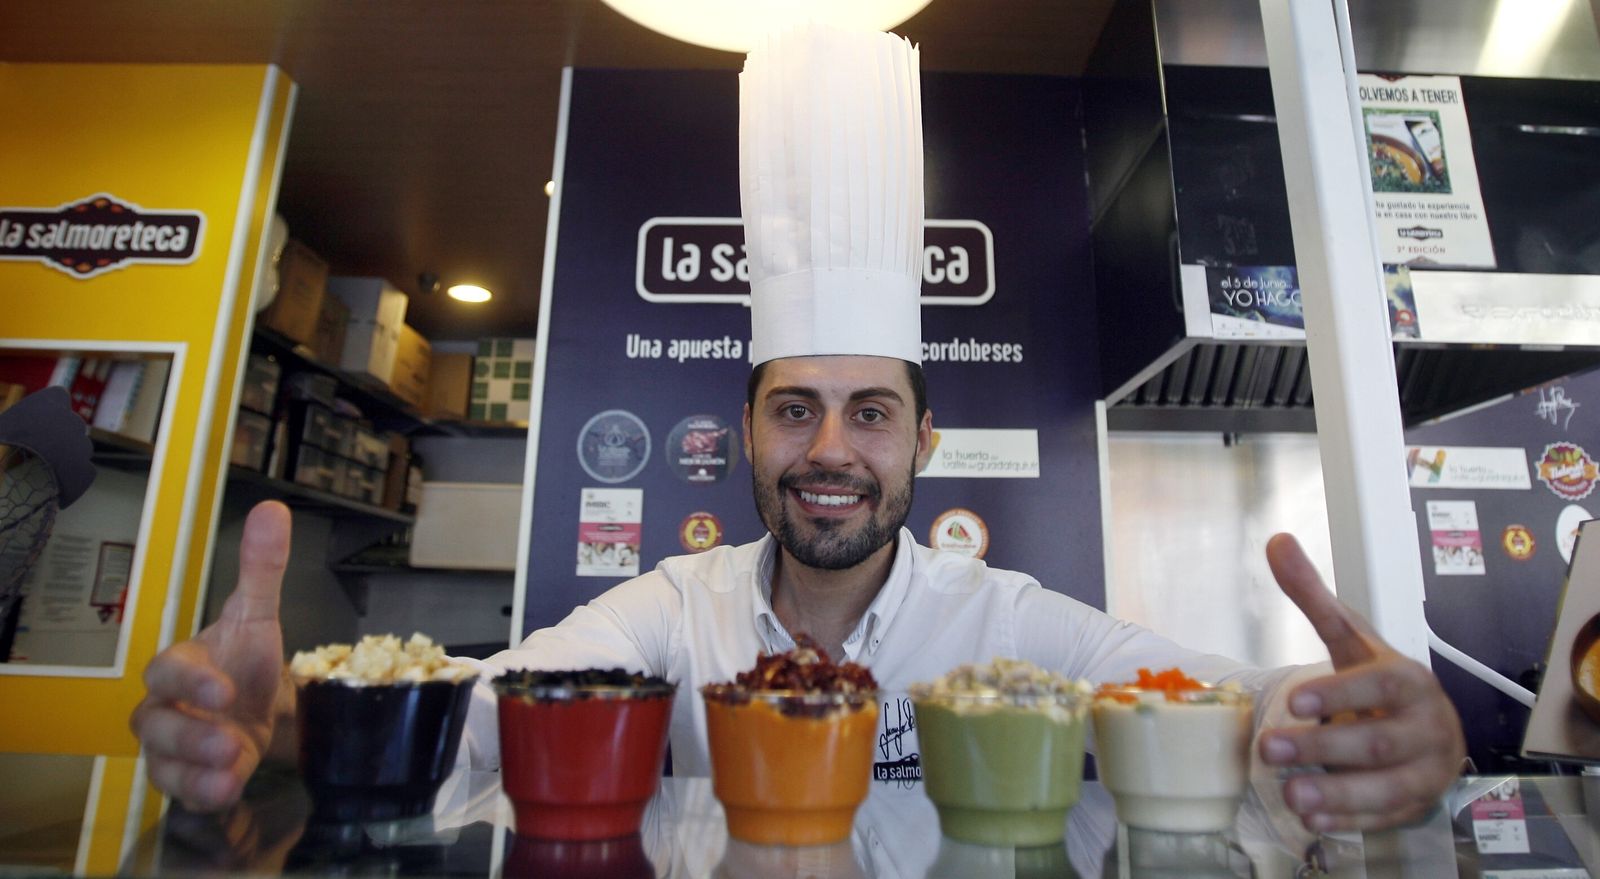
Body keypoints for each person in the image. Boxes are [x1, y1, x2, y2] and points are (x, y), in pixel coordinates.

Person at [131, 24, 1464, 838]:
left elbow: (1192, 694)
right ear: (749, 434)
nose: (832, 447)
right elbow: (485, 722)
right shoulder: (669, 613)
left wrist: (1334, 715)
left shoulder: (1003, 621)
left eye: (870, 411)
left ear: (923, 439)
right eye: (797, 408)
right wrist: (301, 729)